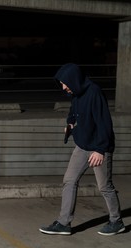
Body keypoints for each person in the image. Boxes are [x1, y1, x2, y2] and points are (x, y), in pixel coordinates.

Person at [39, 63, 125, 236]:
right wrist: (70, 122)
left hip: (99, 148)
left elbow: (104, 123)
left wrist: (100, 150)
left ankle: (116, 221)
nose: (63, 87)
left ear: (74, 80)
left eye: (65, 83)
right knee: (69, 180)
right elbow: (74, 110)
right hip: (82, 146)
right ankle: (64, 223)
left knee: (104, 187)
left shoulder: (94, 92)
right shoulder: (76, 93)